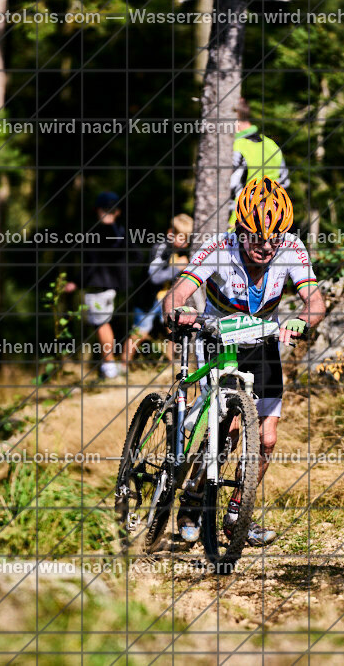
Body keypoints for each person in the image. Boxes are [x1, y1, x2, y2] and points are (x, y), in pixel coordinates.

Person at [163, 176, 325, 547]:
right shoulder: (219, 247)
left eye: (274, 239)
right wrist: (178, 314)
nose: (266, 247)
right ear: (239, 230)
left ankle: (238, 513)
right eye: (256, 238)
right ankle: (192, 498)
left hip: (262, 343)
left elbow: (315, 301)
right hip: (219, 340)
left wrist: (303, 319)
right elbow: (179, 293)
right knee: (230, 429)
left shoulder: (291, 249)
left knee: (266, 439)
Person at [64, 191, 127, 380]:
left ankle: (110, 367)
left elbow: (92, 263)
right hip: (111, 286)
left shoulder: (97, 233)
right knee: (102, 323)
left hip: (99, 286)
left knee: (101, 325)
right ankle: (109, 366)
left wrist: (76, 282)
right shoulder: (121, 232)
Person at [123, 213, 193, 365]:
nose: (186, 243)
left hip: (164, 298)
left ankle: (171, 363)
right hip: (148, 299)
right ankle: (122, 366)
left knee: (174, 328)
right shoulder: (160, 248)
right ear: (170, 233)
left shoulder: (179, 251)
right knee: (139, 333)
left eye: (188, 238)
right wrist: (177, 268)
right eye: (182, 238)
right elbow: (154, 277)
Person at [228, 98, 290, 229]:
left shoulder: (235, 147)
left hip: (236, 224)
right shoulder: (271, 145)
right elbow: (283, 182)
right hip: (267, 223)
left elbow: (230, 188)